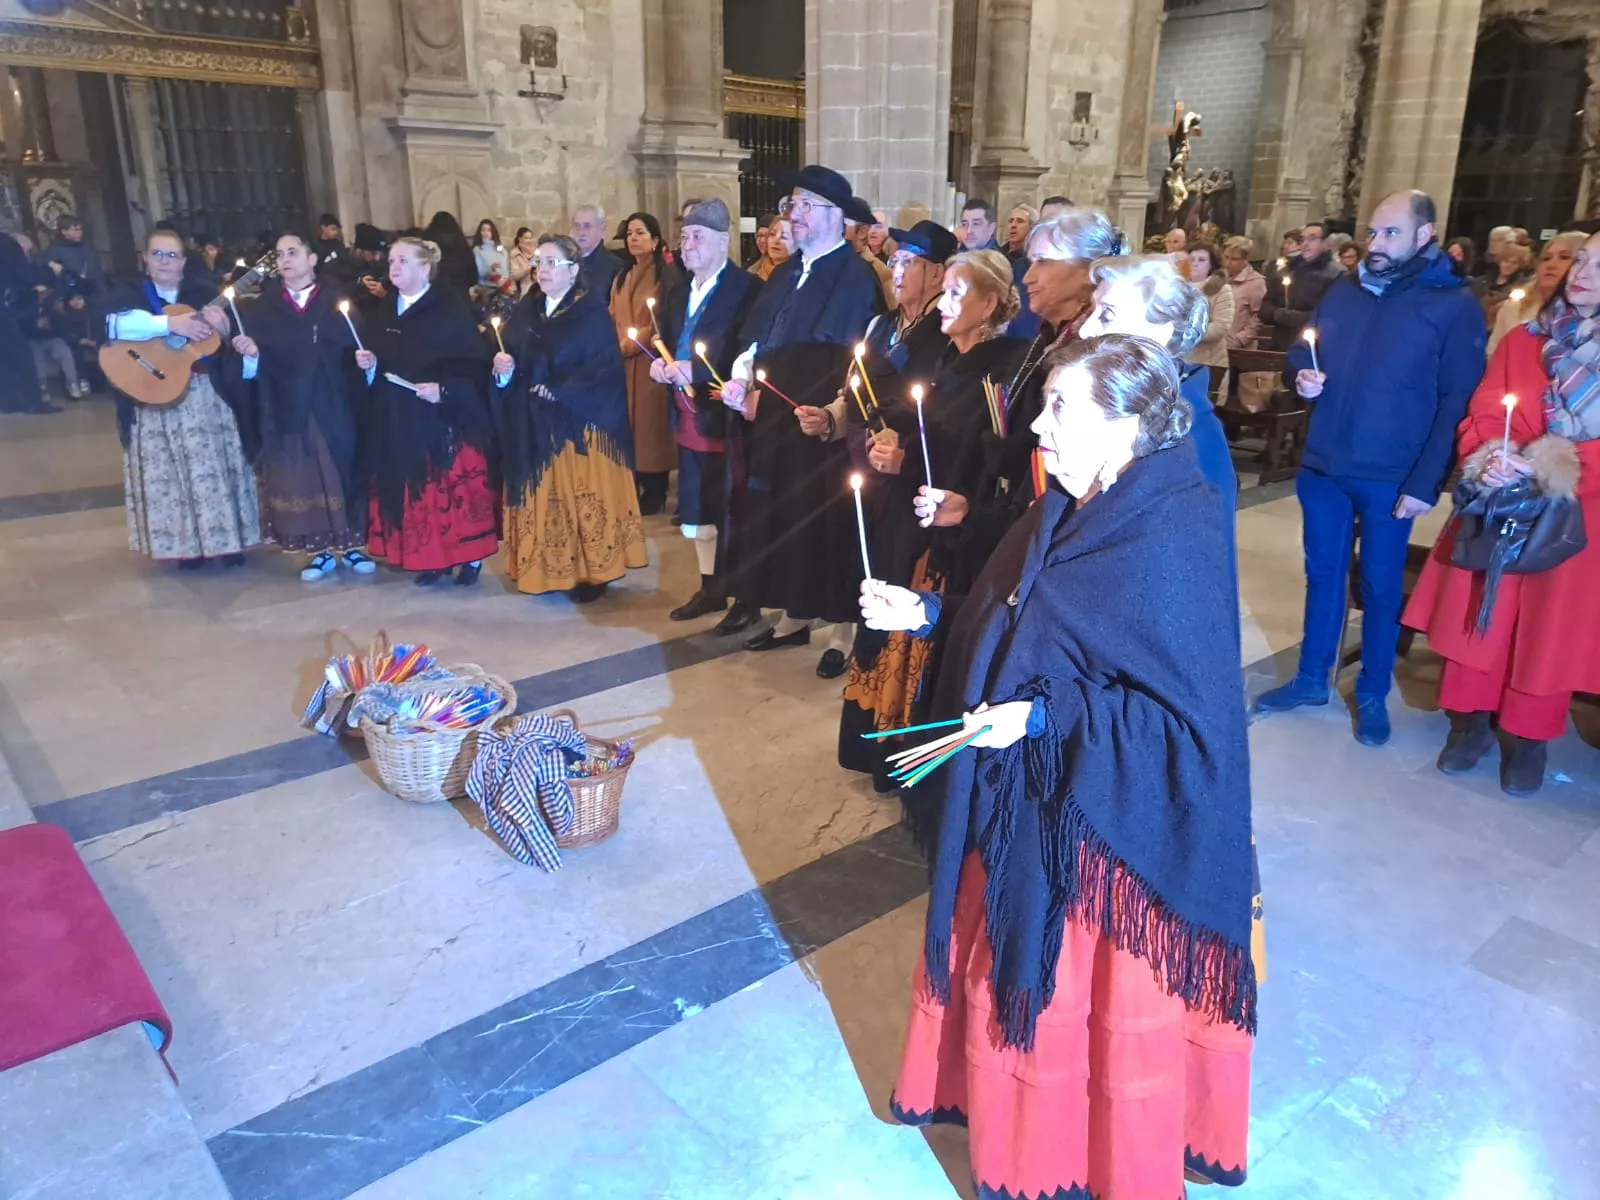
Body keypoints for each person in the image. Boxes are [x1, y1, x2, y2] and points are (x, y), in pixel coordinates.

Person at [868, 334, 1255, 1200]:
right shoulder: (1065, 505)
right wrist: (928, 612)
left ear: (1126, 423)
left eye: (1062, 407)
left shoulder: (1172, 530)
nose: (1038, 424)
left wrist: (1044, 716)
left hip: (1098, 832)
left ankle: (1075, 1160)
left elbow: (1182, 724)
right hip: (1021, 800)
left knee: (1076, 1016)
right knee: (994, 971)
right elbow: (1020, 617)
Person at [1255, 190, 1487, 745]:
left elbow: (1457, 402)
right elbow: (1301, 351)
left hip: (1391, 473)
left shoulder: (1452, 305)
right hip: (1325, 463)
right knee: (1323, 575)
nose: (1375, 245)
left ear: (1424, 236)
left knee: (1382, 586)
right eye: (1372, 234)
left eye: (1390, 234)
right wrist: (1302, 377)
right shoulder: (1346, 290)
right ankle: (1313, 677)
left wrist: (1426, 481)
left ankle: (1374, 691)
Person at [1403, 229, 1600, 796]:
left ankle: (1528, 741)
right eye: (1577, 260)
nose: (1580, 271)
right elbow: (1487, 411)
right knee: (1482, 619)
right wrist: (1491, 457)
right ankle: (1469, 727)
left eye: (1594, 264)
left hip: (1576, 517)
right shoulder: (1524, 341)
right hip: (1504, 507)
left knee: (1548, 635)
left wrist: (1551, 465)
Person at [839, 245, 1017, 787]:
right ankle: (879, 745)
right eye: (946, 289)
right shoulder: (944, 360)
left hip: (947, 532)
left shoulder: (1002, 371)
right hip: (908, 516)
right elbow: (919, 424)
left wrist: (908, 460)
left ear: (989, 305)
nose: (945, 301)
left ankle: (909, 754)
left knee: (920, 636)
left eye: (959, 292)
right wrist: (889, 440)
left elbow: (980, 457)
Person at [717, 164, 884, 672]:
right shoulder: (787, 270)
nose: (795, 216)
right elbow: (756, 338)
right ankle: (794, 615)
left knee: (829, 520)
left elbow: (860, 357)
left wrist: (836, 412)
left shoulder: (856, 276)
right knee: (784, 518)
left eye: (806, 206)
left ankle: (843, 629)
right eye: (793, 205)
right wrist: (740, 377)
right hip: (774, 415)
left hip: (824, 420)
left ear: (838, 217)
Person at [914, 209, 1122, 589]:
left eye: (1043, 261)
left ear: (1088, 271)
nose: (1027, 277)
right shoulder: (1050, 336)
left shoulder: (1094, 355)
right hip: (1004, 514)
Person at [809, 217, 955, 680]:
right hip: (859, 460)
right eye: (894, 260)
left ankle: (883, 663)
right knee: (854, 550)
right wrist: (831, 416)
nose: (896, 270)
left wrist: (905, 450)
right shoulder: (881, 324)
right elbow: (852, 387)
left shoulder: (946, 333)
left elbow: (944, 412)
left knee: (892, 566)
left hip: (904, 475)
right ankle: (846, 640)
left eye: (908, 263)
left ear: (936, 273)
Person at [495, 233, 646, 601]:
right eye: (539, 263)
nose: (542, 270)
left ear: (573, 270)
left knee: (579, 499)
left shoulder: (590, 314)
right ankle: (545, 569)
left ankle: (591, 574)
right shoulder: (526, 308)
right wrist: (504, 369)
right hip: (533, 424)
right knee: (544, 499)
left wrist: (562, 389)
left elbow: (603, 370)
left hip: (580, 427)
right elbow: (512, 354)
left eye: (551, 263)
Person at [98, 228, 260, 566]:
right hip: (152, 397)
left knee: (216, 470)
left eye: (171, 255)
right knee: (169, 478)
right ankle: (185, 548)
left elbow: (232, 341)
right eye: (157, 254)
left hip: (204, 396)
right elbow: (112, 326)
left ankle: (228, 542)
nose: (164, 262)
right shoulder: (127, 292)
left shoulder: (204, 293)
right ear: (145, 258)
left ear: (184, 262)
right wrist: (170, 325)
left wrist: (225, 327)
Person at [224, 231, 372, 581]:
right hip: (287, 404)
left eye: (293, 252)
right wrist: (250, 355)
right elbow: (253, 367)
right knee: (301, 476)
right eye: (279, 254)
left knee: (338, 471)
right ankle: (319, 551)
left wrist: (364, 361)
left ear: (312, 259)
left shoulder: (336, 300)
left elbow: (355, 347)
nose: (285, 260)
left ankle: (351, 546)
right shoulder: (264, 308)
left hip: (332, 401)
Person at [357, 236, 498, 585]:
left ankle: (470, 558)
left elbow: (473, 364)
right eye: (391, 260)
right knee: (417, 495)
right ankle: (432, 559)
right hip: (398, 417)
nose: (394, 267)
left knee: (452, 492)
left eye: (403, 260)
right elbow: (382, 358)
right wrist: (370, 365)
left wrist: (445, 390)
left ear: (425, 267)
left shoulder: (449, 309)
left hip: (443, 418)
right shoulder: (385, 309)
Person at [1079, 255, 1237, 563]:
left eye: (1107, 314)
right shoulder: (1113, 410)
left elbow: (1203, 564)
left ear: (1163, 331)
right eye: (1091, 309)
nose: (1085, 330)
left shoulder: (1195, 435)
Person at [653, 199, 762, 621]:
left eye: (697, 236)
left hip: (724, 413)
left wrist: (694, 369)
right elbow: (666, 335)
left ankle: (744, 598)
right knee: (699, 505)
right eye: (683, 236)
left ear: (723, 240)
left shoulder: (745, 289)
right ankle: (710, 588)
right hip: (686, 415)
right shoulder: (679, 290)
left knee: (732, 506)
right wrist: (660, 364)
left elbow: (745, 350)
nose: (687, 244)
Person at [610, 212, 682, 515]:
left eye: (640, 233)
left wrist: (629, 343)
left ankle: (656, 491)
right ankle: (635, 485)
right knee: (630, 426)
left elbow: (660, 319)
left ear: (654, 240)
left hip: (648, 360)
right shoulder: (622, 276)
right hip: (623, 364)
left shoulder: (664, 276)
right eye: (629, 234)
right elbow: (612, 314)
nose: (633, 238)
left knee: (651, 431)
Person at [1486, 231, 1586, 358]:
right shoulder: (1514, 308)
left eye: (1564, 257)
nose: (1551, 265)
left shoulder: (1591, 319)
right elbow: (1493, 356)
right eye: (1546, 258)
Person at [1259, 220, 1344, 350]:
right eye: (1302, 240)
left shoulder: (1337, 274)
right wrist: (1277, 314)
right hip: (1282, 344)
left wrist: (1297, 318)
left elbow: (1335, 317)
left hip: (1316, 348)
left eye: (1312, 239)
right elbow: (1264, 307)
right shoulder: (1286, 271)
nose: (1305, 244)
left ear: (1326, 243)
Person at [1185, 241, 1235, 376]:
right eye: (1191, 259)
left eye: (1201, 260)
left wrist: (1186, 333)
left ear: (1211, 264)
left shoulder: (1221, 289)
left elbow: (1220, 327)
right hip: (1176, 357)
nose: (1195, 263)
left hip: (1207, 362)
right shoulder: (1176, 287)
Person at [1222, 235, 1267, 349]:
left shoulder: (1256, 283)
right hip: (1215, 345)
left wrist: (1240, 339)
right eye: (1226, 257)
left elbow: (1259, 318)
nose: (1228, 262)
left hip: (1239, 348)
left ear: (1245, 260)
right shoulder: (1219, 278)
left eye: (1234, 259)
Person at [1481, 235, 1534, 330]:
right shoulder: (1482, 281)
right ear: (1500, 261)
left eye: (1514, 263)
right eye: (1506, 261)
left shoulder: (1523, 285)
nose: (1509, 265)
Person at [423, 212, 478, 303]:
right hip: (461, 297)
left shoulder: (428, 248)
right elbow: (473, 278)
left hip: (436, 299)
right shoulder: (463, 247)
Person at [44, 214, 104, 297]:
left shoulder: (86, 247)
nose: (79, 233)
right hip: (72, 294)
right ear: (64, 231)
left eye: (80, 229)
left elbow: (96, 268)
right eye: (75, 230)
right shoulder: (54, 250)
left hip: (95, 291)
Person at [572, 204, 621, 298]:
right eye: (577, 226)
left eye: (587, 226)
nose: (581, 233)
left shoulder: (615, 267)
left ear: (602, 229)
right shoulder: (566, 263)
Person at [472, 219, 511, 293]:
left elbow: (506, 270)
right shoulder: (477, 250)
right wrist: (490, 268)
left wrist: (504, 280)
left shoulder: (501, 250)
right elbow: (478, 272)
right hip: (486, 286)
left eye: (488, 230)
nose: (485, 233)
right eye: (483, 230)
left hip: (503, 284)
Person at [748, 216, 790, 282]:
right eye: (772, 234)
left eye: (784, 236)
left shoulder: (801, 276)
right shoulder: (752, 272)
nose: (776, 240)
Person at [508, 226, 538, 299]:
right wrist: (529, 268)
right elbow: (514, 276)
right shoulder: (515, 254)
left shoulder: (535, 252)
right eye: (526, 238)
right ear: (520, 239)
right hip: (522, 288)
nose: (529, 241)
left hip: (536, 286)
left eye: (530, 238)